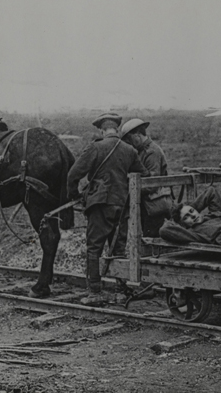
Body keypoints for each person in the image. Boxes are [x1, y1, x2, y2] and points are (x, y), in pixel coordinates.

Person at [67, 112, 148, 305]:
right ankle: (121, 291)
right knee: (118, 248)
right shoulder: (129, 150)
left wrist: (76, 196)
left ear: (103, 131)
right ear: (117, 130)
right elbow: (142, 174)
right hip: (122, 205)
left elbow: (73, 175)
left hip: (100, 204)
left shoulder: (95, 147)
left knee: (94, 248)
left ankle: (95, 292)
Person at [121, 118, 171, 238]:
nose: (129, 143)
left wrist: (129, 189)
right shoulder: (140, 151)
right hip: (147, 204)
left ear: (138, 134)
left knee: (153, 239)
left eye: (129, 139)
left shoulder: (152, 152)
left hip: (155, 205)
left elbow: (152, 184)